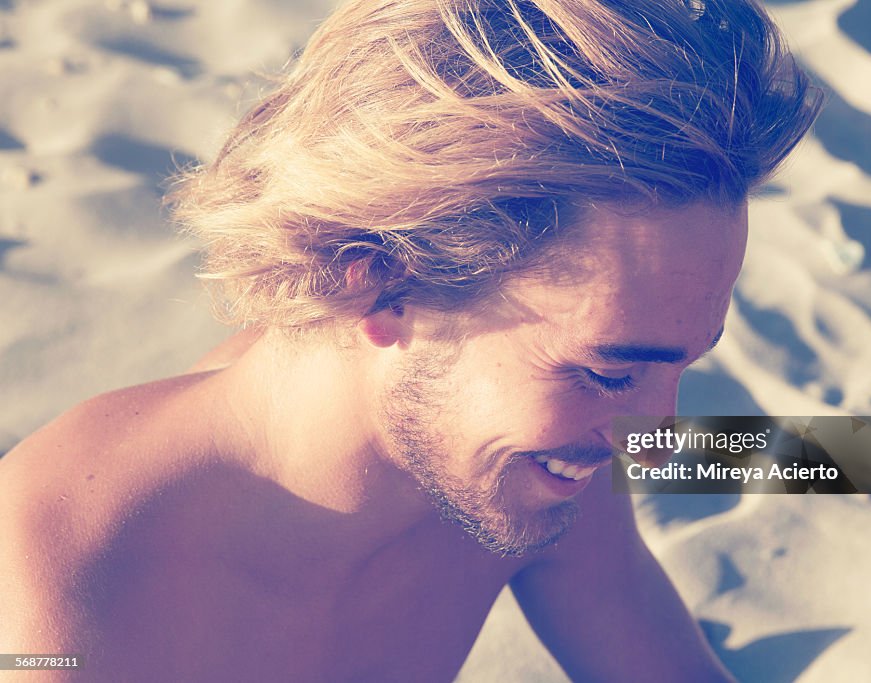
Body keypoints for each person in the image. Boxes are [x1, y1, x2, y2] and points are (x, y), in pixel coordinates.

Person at [0, 0, 820, 680]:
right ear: (381, 284)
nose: (655, 435)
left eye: (682, 364)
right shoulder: (58, 579)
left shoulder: (534, 458)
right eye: (611, 372)